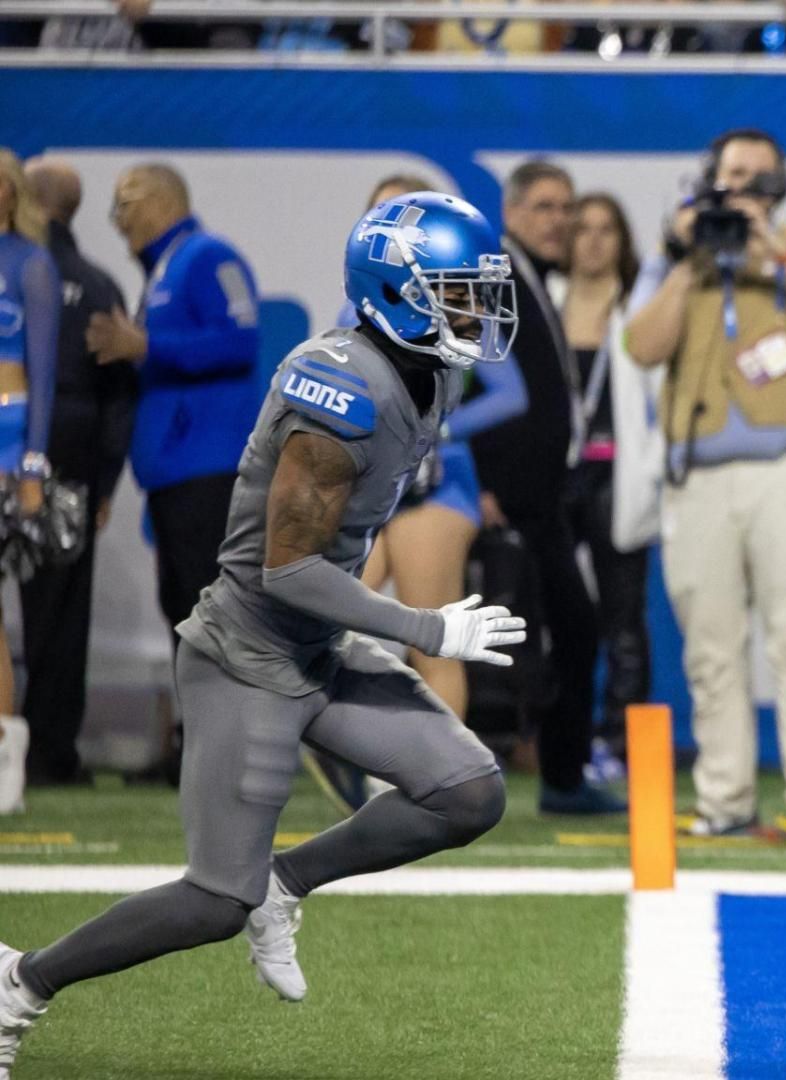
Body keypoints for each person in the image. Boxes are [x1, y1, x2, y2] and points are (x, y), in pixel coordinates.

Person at [0, 192, 529, 1078]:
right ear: (398, 290)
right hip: (247, 653)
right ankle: (21, 982)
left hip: (316, 647)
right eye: (455, 290)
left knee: (469, 794)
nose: (475, 310)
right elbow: (287, 570)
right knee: (213, 898)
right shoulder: (342, 387)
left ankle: (287, 884)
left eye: (477, 290)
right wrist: (426, 626)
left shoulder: (425, 369)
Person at [625, 128, 786, 844]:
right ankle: (726, 800)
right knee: (711, 645)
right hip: (697, 473)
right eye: (734, 176)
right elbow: (642, 346)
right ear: (709, 180)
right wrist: (681, 260)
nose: (746, 190)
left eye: (761, 180)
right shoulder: (675, 257)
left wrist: (777, 253)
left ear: (780, 188)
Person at [303, 173, 529, 816]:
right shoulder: (356, 309)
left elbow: (511, 391)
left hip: (438, 480)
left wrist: (437, 428)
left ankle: (438, 777)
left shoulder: (458, 296)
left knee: (435, 630)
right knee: (337, 623)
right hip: (380, 478)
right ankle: (377, 758)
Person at [469, 160, 622, 815]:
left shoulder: (530, 279)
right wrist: (478, 478)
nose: (559, 220)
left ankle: (561, 772)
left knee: (568, 630)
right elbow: (470, 379)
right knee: (547, 634)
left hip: (540, 495)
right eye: (545, 207)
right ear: (511, 212)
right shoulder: (498, 274)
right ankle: (554, 774)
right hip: (511, 494)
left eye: (567, 207)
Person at [91, 163, 261, 686]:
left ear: (163, 203)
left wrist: (145, 346)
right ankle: (195, 738)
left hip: (205, 472)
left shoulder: (210, 255)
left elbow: (242, 337)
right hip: (174, 474)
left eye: (125, 202)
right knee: (183, 605)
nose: (116, 218)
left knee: (207, 605)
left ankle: (224, 740)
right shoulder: (165, 270)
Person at [18, 156, 137, 791]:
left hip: (23, 443)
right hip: (70, 454)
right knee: (60, 612)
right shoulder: (95, 285)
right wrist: (104, 483)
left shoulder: (20, 270)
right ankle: (48, 754)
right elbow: (118, 395)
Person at [556, 193, 654, 759]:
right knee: (551, 611)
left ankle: (623, 742)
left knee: (623, 616)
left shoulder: (642, 307)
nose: (593, 240)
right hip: (557, 477)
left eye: (606, 229)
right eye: (582, 228)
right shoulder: (545, 303)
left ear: (623, 240)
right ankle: (553, 737)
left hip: (621, 474)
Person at [0, 149, 61, 815]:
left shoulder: (30, 263)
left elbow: (44, 371)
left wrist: (34, 464)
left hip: (8, 435)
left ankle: (6, 761)